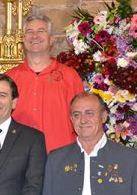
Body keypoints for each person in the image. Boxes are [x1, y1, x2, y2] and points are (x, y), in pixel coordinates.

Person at [5, 14, 84, 154]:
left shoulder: (70, 76)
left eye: (41, 31)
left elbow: (81, 118)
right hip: (19, 158)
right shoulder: (9, 78)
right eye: (29, 32)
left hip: (61, 156)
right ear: (23, 40)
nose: (34, 36)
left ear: (51, 40)